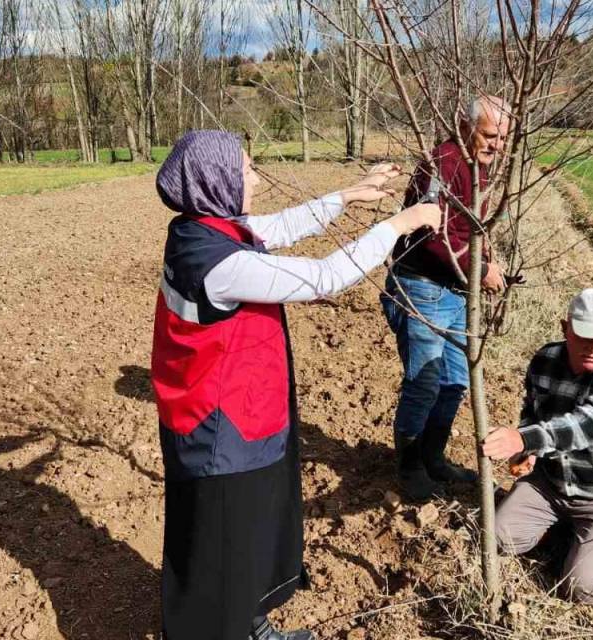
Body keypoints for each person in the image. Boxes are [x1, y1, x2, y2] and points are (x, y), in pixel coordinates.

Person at [150, 130, 440, 640]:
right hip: (220, 430)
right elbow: (323, 277)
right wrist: (400, 223)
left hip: (236, 412)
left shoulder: (200, 230)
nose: (255, 179)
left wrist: (349, 194)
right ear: (215, 182)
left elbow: (276, 227)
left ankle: (246, 622)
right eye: (245, 171)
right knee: (227, 540)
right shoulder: (220, 263)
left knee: (242, 539)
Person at [482, 288, 593, 603]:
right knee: (495, 540)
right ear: (566, 329)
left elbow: (587, 427)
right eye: (586, 337)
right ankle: (568, 533)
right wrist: (528, 450)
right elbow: (532, 411)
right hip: (552, 484)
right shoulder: (545, 359)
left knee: (583, 588)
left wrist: (524, 438)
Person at [381, 95, 512, 500]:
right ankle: (409, 466)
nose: (497, 145)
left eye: (504, 138)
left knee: (455, 381)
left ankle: (433, 456)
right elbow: (429, 234)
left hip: (454, 289)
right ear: (465, 127)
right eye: (490, 135)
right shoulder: (442, 163)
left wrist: (488, 258)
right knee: (425, 382)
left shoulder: (477, 167)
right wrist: (481, 267)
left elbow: (467, 230)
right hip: (422, 285)